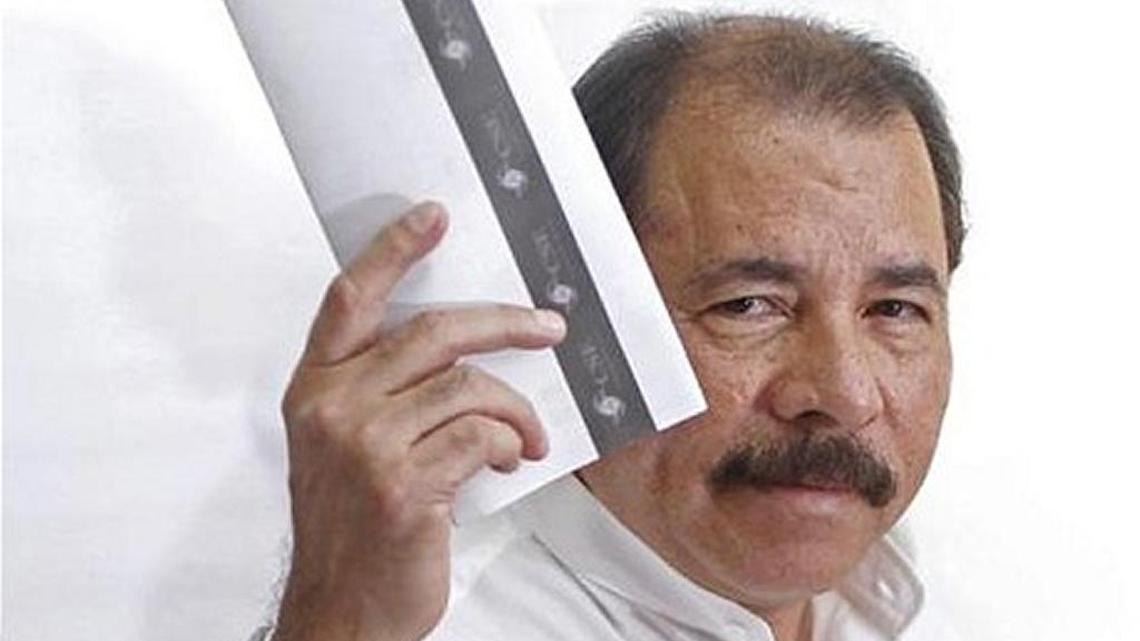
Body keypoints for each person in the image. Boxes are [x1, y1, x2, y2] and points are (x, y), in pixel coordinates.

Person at [265, 11, 965, 641]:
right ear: (578, 313)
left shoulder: (946, 595)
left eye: (895, 310)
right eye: (748, 305)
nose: (844, 394)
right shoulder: (420, 624)